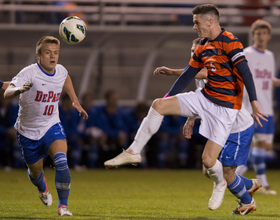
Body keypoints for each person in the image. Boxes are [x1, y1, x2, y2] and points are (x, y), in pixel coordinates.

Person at [104, 4, 267, 213]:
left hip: (227, 110)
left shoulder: (230, 42)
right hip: (205, 99)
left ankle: (240, 196)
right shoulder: (202, 46)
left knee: (211, 164)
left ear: (210, 21)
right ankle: (134, 152)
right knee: (158, 105)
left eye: (196, 22)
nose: (193, 27)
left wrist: (254, 101)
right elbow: (190, 74)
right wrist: (168, 97)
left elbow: (245, 72)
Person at [154, 38, 262, 215]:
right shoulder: (200, 73)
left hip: (238, 128)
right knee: (208, 169)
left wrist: (173, 72)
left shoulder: (215, 69)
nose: (194, 54)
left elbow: (202, 74)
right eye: (192, 50)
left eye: (197, 51)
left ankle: (247, 202)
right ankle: (248, 185)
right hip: (221, 128)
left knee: (225, 173)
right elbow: (202, 100)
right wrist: (191, 119)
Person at [4, 36, 88, 216]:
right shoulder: (29, 73)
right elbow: (8, 92)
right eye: (48, 53)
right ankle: (42, 186)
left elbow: (65, 79)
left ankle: (63, 206)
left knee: (61, 161)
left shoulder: (61, 71)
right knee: (35, 173)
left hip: (51, 125)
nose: (53, 56)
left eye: (56, 53)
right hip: (28, 132)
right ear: (38, 56)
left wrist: (75, 101)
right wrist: (18, 90)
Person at [236, 19, 280, 195]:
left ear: (268, 36)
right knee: (255, 144)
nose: (260, 36)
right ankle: (238, 178)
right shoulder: (246, 54)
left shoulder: (269, 56)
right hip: (250, 108)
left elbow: (267, 80)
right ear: (252, 35)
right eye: (257, 33)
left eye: (263, 33)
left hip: (267, 108)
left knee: (263, 147)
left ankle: (243, 179)